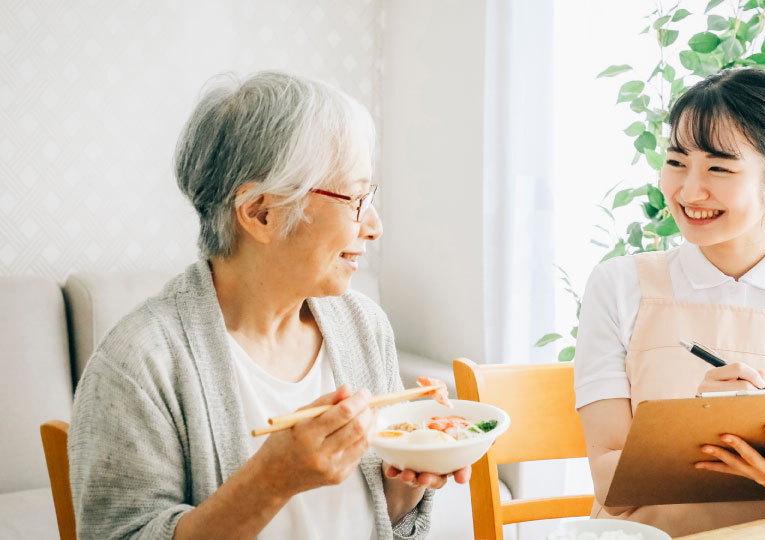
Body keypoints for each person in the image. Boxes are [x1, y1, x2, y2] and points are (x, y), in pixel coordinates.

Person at [68, 71, 468, 540]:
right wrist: (271, 482)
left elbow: (385, 520)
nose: (375, 225)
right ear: (261, 212)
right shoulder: (140, 364)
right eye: (356, 198)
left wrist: (412, 477)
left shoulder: (364, 327)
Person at [574, 68, 765, 537]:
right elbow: (609, 484)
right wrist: (700, 423)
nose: (689, 190)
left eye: (719, 167)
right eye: (677, 161)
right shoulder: (618, 285)